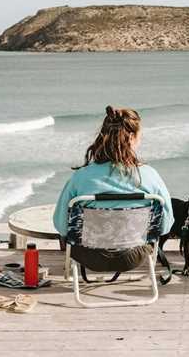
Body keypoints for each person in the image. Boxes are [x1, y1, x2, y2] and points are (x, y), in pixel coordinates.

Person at [53, 106, 174, 271]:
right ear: (131, 137)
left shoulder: (81, 177)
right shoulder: (150, 176)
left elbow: (61, 225)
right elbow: (166, 226)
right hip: (134, 257)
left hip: (90, 257)